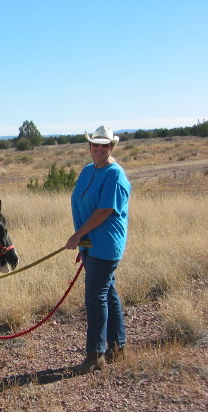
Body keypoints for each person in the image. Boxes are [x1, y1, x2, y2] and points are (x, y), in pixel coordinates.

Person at [65, 125, 132, 374]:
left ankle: (95, 355)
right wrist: (81, 239)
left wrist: (78, 234)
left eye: (105, 145)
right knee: (108, 292)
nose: (100, 149)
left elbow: (104, 210)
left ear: (111, 147)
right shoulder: (87, 171)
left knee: (95, 297)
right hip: (89, 243)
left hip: (105, 243)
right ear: (90, 147)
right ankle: (118, 346)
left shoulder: (115, 174)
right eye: (96, 145)